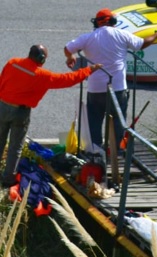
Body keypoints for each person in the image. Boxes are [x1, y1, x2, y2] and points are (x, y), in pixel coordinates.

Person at [64, 9, 157, 149]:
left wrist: (70, 56)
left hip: (95, 89)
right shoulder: (122, 34)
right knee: (119, 123)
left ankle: (96, 152)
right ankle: (118, 151)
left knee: (94, 122)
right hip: (118, 88)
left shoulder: (88, 37)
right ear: (113, 21)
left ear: (97, 23)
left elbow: (67, 48)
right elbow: (141, 44)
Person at [0, 45, 102, 187]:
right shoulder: (41, 75)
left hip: (2, 105)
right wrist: (89, 70)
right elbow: (68, 79)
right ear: (41, 59)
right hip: (20, 112)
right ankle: (8, 179)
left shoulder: (12, 63)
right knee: (15, 147)